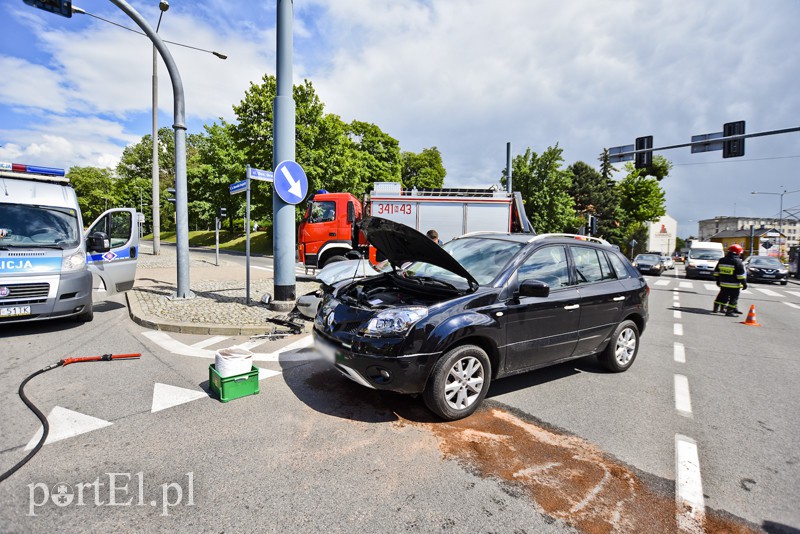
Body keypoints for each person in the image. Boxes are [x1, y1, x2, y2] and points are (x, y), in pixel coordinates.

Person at [712, 244, 747, 316]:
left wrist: (718, 281)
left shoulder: (722, 260)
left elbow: (716, 272)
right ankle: (730, 311)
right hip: (734, 285)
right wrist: (744, 283)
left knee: (722, 296)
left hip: (723, 283)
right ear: (738, 252)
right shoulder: (737, 261)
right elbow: (740, 275)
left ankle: (716, 309)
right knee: (733, 298)